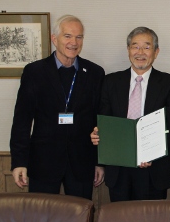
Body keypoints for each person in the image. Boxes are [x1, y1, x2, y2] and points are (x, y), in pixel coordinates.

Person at [10, 15, 105, 199]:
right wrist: (19, 161)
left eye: (79, 37)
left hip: (82, 164)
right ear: (55, 39)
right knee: (41, 219)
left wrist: (99, 162)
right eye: (68, 36)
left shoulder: (95, 73)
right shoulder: (34, 72)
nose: (74, 42)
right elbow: (22, 120)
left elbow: (99, 120)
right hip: (43, 162)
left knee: (81, 219)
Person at [91, 27, 170, 201]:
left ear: (156, 52)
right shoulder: (110, 82)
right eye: (135, 46)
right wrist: (98, 136)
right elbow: (104, 121)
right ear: (128, 50)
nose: (140, 52)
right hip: (118, 168)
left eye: (147, 47)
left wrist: (149, 153)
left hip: (154, 170)